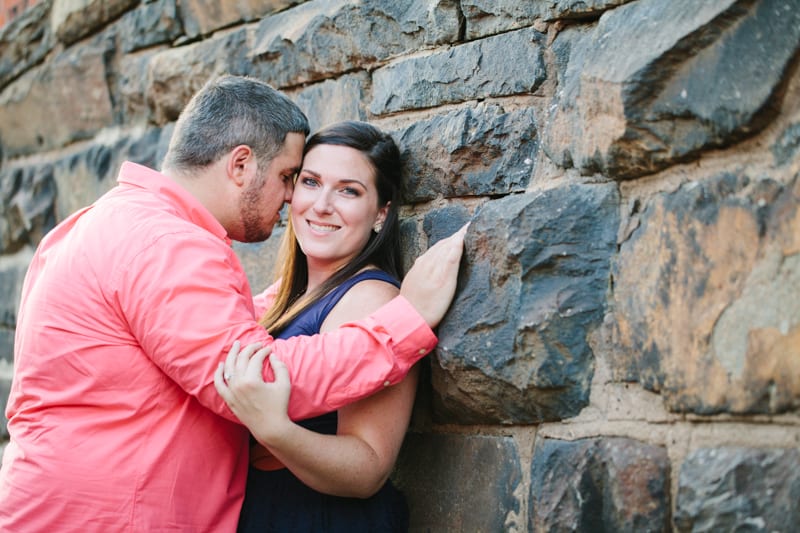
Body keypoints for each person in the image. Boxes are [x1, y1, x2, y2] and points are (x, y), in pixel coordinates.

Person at [0, 75, 467, 532]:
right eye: (293, 178)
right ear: (241, 164)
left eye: (347, 190)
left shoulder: (97, 224)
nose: (293, 199)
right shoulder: (164, 244)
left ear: (380, 211)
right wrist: (406, 322)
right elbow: (253, 377)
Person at [215, 121, 423, 532]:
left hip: (320, 516)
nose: (322, 205)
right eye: (310, 182)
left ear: (381, 212)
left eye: (349, 190)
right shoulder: (285, 294)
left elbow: (367, 469)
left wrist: (273, 429)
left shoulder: (371, 299)